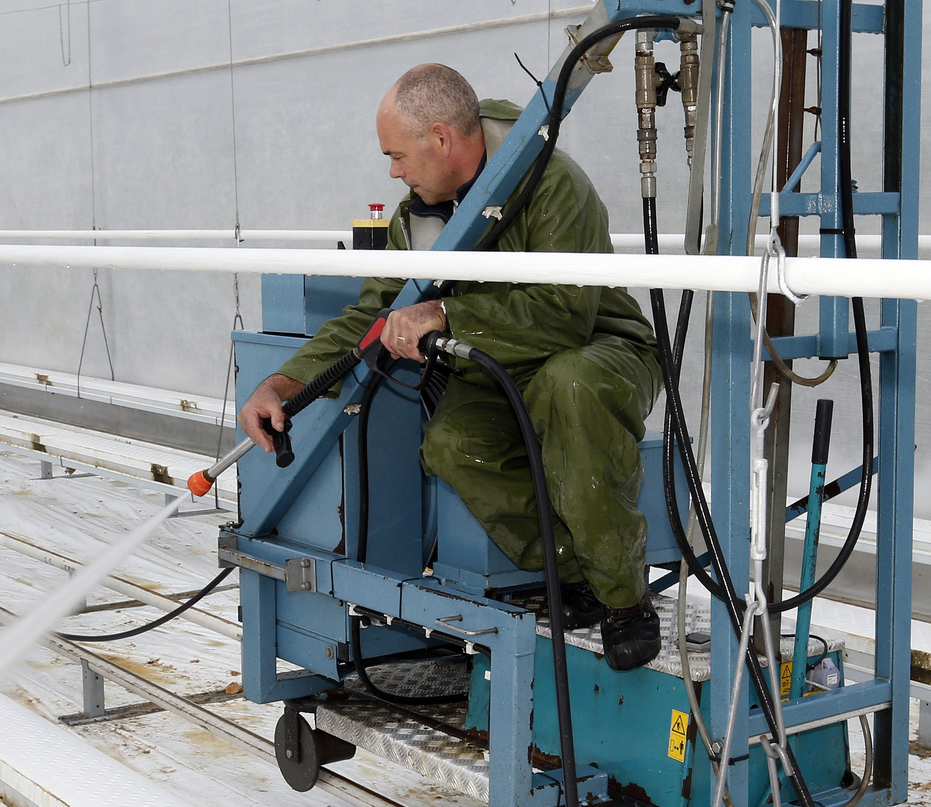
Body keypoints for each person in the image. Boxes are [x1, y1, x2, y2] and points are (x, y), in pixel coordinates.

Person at [239, 63, 663, 670]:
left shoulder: (550, 183)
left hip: (601, 351)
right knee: (455, 443)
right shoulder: (416, 216)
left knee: (567, 384)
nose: (393, 171)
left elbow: (568, 314)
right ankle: (575, 571)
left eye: (397, 155)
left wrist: (444, 314)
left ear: (441, 139)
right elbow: (374, 316)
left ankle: (624, 597)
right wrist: (282, 384)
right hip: (501, 362)